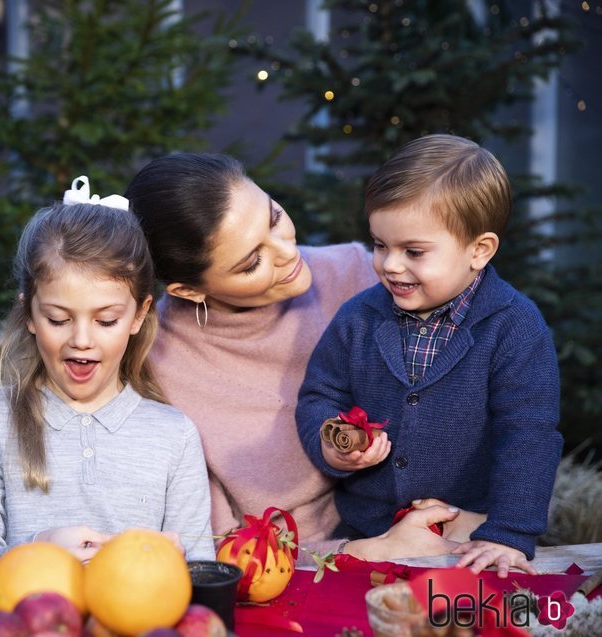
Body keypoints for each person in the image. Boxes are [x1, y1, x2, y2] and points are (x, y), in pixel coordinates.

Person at [126, 152, 470, 558]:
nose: (288, 253)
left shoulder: (360, 274)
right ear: (189, 291)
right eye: (252, 261)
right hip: (299, 573)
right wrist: (368, 551)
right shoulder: (158, 371)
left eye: (273, 218)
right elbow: (220, 550)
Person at [295, 134, 562, 577]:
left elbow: (529, 434)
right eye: (380, 245)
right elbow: (320, 392)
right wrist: (331, 440)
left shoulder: (514, 327)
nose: (390, 265)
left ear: (479, 250)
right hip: (371, 534)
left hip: (469, 536)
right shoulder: (358, 317)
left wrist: (508, 532)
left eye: (413, 251)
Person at [0, 178, 214, 587]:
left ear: (139, 315)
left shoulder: (173, 435)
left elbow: (200, 570)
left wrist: (171, 562)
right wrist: (40, 550)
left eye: (106, 320)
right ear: (30, 316)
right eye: (58, 319)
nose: (82, 340)